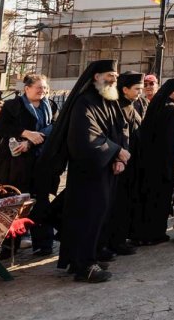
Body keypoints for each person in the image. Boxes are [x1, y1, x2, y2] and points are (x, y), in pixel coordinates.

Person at [37, 59, 129, 283]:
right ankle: (83, 266)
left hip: (108, 167)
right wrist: (117, 151)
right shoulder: (83, 102)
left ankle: (90, 256)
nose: (114, 79)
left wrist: (121, 157)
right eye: (110, 75)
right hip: (88, 171)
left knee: (99, 215)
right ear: (96, 77)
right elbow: (86, 138)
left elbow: (121, 128)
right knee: (87, 216)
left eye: (115, 76)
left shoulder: (109, 100)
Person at [0, 73, 55, 255]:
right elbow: (1, 129)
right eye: (39, 87)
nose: (42, 91)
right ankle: (10, 246)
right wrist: (25, 133)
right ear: (27, 88)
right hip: (15, 162)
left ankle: (43, 244)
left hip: (40, 160)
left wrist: (31, 142)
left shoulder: (51, 105)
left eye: (44, 88)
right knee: (14, 201)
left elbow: (52, 128)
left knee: (41, 200)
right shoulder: (12, 106)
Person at [133, 77, 174, 245]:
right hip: (164, 164)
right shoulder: (172, 110)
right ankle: (155, 234)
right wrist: (172, 164)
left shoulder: (157, 105)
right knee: (160, 198)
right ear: (173, 92)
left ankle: (143, 233)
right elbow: (171, 142)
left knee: (148, 198)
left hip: (149, 162)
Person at [102, 72, 144, 256]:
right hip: (118, 163)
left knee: (124, 203)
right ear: (125, 89)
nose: (140, 93)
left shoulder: (132, 105)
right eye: (137, 89)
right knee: (114, 205)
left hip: (131, 163)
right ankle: (109, 242)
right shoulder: (116, 106)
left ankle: (119, 239)